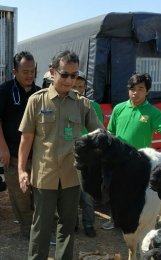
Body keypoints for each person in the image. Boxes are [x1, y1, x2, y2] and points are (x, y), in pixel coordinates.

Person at [18, 50, 103, 259]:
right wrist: (21, 170)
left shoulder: (82, 104)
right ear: (52, 72)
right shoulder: (37, 101)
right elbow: (26, 138)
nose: (69, 80)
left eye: (74, 76)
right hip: (45, 176)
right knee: (41, 228)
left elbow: (100, 134)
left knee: (67, 228)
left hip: (72, 177)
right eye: (64, 74)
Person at [102, 72, 161, 230]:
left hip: (140, 161)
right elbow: (110, 132)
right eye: (132, 88)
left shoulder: (153, 112)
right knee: (116, 191)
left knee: (137, 193)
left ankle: (137, 221)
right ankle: (114, 220)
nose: (135, 92)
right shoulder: (119, 109)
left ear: (147, 92)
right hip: (118, 160)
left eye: (140, 88)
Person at [0, 51, 40, 238]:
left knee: (41, 197)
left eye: (32, 71)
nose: (29, 75)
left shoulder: (40, 93)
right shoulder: (4, 91)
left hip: (39, 157)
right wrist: (2, 147)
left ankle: (41, 230)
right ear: (14, 71)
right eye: (25, 71)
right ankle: (27, 231)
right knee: (20, 197)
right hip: (14, 156)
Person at [71, 71, 103, 237]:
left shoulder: (92, 105)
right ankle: (73, 223)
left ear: (85, 88)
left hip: (89, 159)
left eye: (81, 86)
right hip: (71, 157)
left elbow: (99, 131)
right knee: (71, 195)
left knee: (88, 195)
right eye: (75, 85)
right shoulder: (66, 103)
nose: (77, 89)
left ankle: (89, 225)